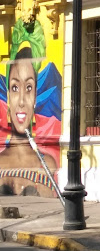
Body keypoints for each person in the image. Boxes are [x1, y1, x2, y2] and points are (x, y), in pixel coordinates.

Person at [0, 39, 58, 197]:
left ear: (35, 98)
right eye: (15, 87)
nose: (21, 101)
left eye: (29, 88)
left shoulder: (45, 164)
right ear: (8, 97)